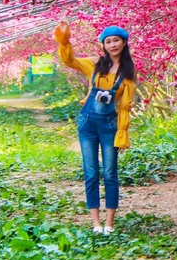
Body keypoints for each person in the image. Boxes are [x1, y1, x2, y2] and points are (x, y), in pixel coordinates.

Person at [53, 19, 136, 233]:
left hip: (109, 126)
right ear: (103, 45)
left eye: (116, 40)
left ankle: (109, 223)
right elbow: (69, 60)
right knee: (90, 172)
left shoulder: (127, 74)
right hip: (87, 123)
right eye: (108, 41)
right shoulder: (94, 64)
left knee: (110, 173)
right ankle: (96, 223)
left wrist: (122, 135)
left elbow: (125, 108)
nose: (112, 45)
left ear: (124, 42)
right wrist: (64, 39)